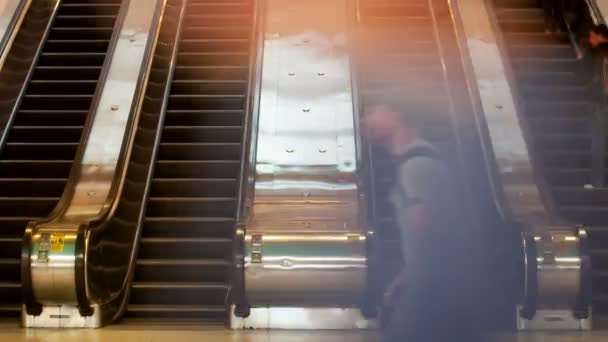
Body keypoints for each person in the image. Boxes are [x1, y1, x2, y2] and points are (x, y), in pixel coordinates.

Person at [361, 102, 478, 341]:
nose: (365, 121)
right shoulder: (420, 161)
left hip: (430, 286)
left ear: (397, 114)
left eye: (372, 112)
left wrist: (412, 277)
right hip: (431, 282)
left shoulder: (417, 165)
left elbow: (424, 223)